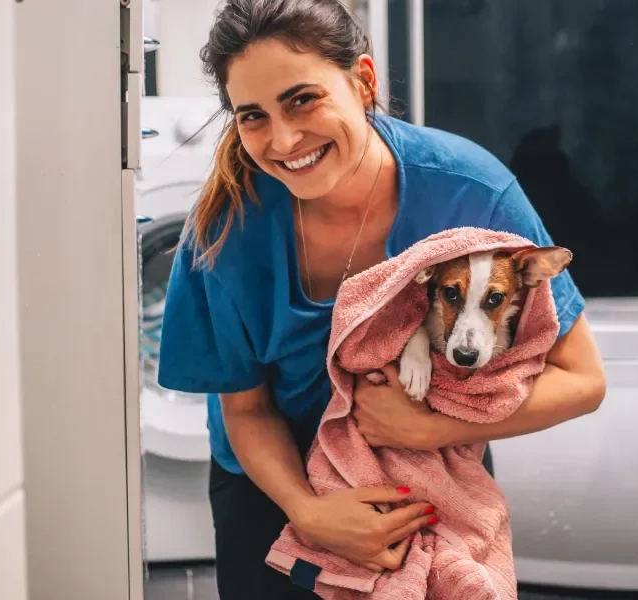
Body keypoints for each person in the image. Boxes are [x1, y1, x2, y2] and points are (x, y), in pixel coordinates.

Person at [156, 1, 607, 598]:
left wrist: (427, 429)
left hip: (434, 462)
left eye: (302, 99)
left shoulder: (469, 191)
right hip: (273, 481)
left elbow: (583, 381)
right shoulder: (225, 230)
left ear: (363, 81)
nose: (284, 139)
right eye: (253, 116)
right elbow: (246, 410)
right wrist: (310, 511)